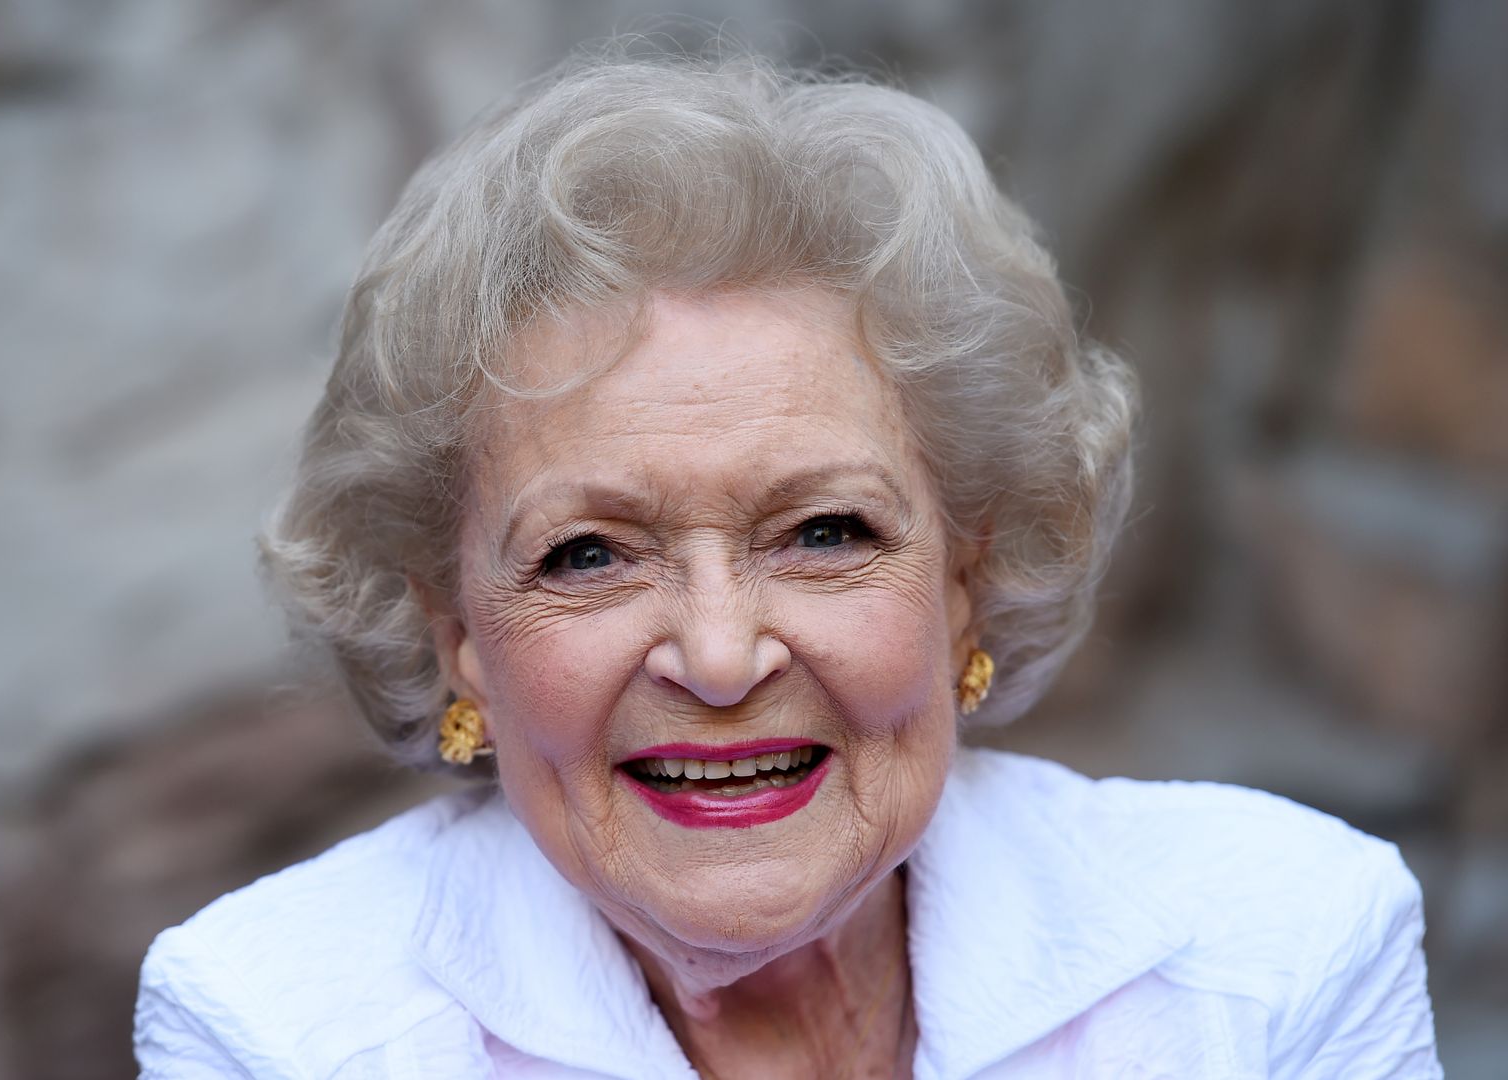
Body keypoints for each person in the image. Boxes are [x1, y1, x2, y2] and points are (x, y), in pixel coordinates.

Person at [134, 46, 1441, 1078]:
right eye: (588, 553)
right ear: (455, 633)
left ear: (966, 576)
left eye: (826, 533)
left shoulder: (1272, 947)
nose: (717, 655)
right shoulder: (283, 1028)